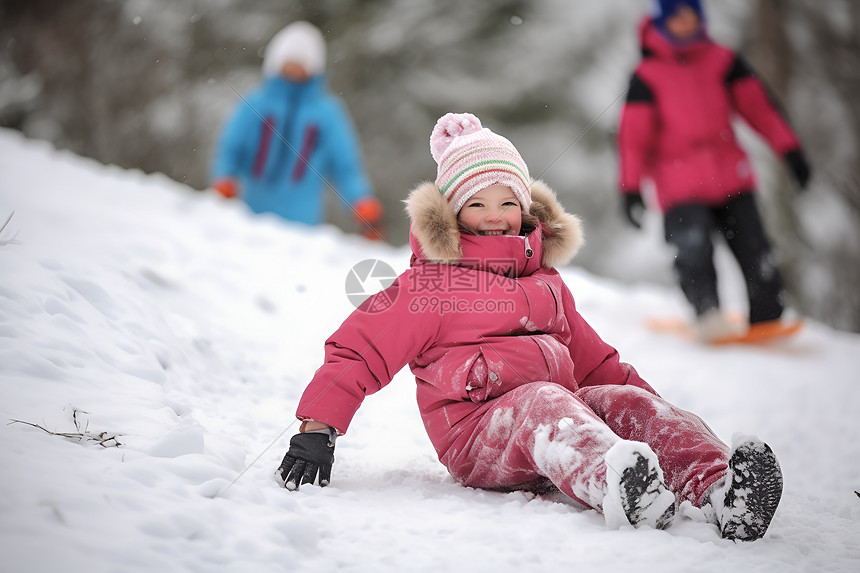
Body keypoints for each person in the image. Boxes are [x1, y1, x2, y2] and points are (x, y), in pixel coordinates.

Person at [274, 112, 784, 541]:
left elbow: (598, 363)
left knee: (620, 400)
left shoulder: (547, 284)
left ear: (524, 209)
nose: (494, 216)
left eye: (506, 203)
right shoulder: (428, 285)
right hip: (477, 436)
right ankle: (624, 488)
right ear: (451, 213)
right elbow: (359, 349)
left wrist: (649, 414)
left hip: (560, 417)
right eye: (476, 204)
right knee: (544, 401)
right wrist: (318, 428)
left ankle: (723, 491)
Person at [617, 0, 811, 342]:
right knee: (692, 251)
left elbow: (761, 109)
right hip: (680, 185)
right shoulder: (646, 76)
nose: (685, 23)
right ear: (662, 21)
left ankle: (768, 319)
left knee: (757, 250)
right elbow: (633, 139)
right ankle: (708, 314)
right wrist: (630, 188)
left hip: (731, 176)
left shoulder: (723, 60)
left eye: (691, 15)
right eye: (677, 17)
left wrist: (790, 149)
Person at [210, 21, 384, 240]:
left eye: (301, 65)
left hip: (301, 230)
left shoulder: (327, 113)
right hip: (248, 221)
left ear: (314, 68)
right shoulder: (255, 103)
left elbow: (345, 166)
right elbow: (231, 148)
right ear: (275, 63)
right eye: (288, 64)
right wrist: (224, 178)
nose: (294, 71)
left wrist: (361, 201)